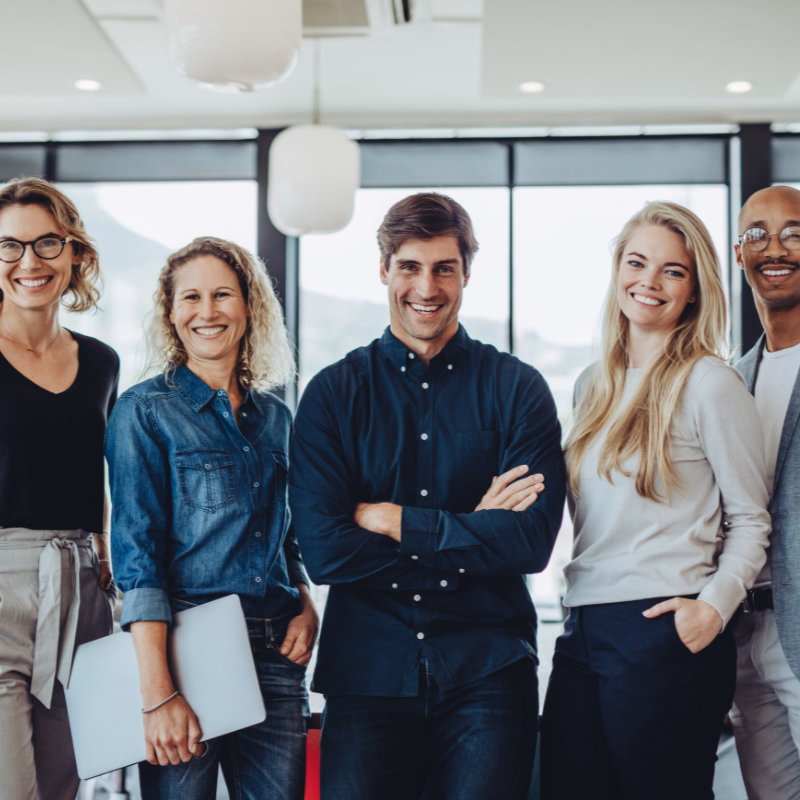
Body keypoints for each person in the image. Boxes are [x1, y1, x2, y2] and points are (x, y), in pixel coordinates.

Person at [290, 192, 565, 800]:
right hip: (368, 673)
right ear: (384, 269)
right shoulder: (332, 394)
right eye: (410, 266)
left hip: (489, 669)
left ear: (467, 272)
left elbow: (529, 541)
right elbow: (326, 551)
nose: (427, 286)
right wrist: (468, 530)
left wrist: (390, 518)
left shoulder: (517, 389)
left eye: (445, 267)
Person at [541, 201, 771, 800]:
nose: (649, 282)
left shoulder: (709, 383)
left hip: (664, 626)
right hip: (584, 626)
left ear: (694, 291)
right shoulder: (592, 383)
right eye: (637, 262)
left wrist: (712, 610)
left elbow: (751, 519)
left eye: (673, 271)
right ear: (618, 269)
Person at [105, 237, 317, 800]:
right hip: (185, 648)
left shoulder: (277, 417)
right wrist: (157, 693)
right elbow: (136, 557)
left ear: (249, 307)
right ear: (171, 313)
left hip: (275, 652)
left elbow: (287, 533)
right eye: (190, 298)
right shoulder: (143, 412)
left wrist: (305, 600)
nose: (207, 311)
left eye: (223, 294)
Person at [0, 178, 118, 800]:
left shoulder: (101, 361)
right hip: (1, 588)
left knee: (61, 788)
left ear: (74, 252)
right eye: (9, 247)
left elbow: (93, 468)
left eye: (47, 243)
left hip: (81, 588)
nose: (29, 262)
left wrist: (102, 548)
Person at [729, 184, 800, 800]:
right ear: (737, 253)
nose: (775, 247)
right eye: (758, 233)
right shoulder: (730, 377)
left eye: (794, 232)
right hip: (744, 632)